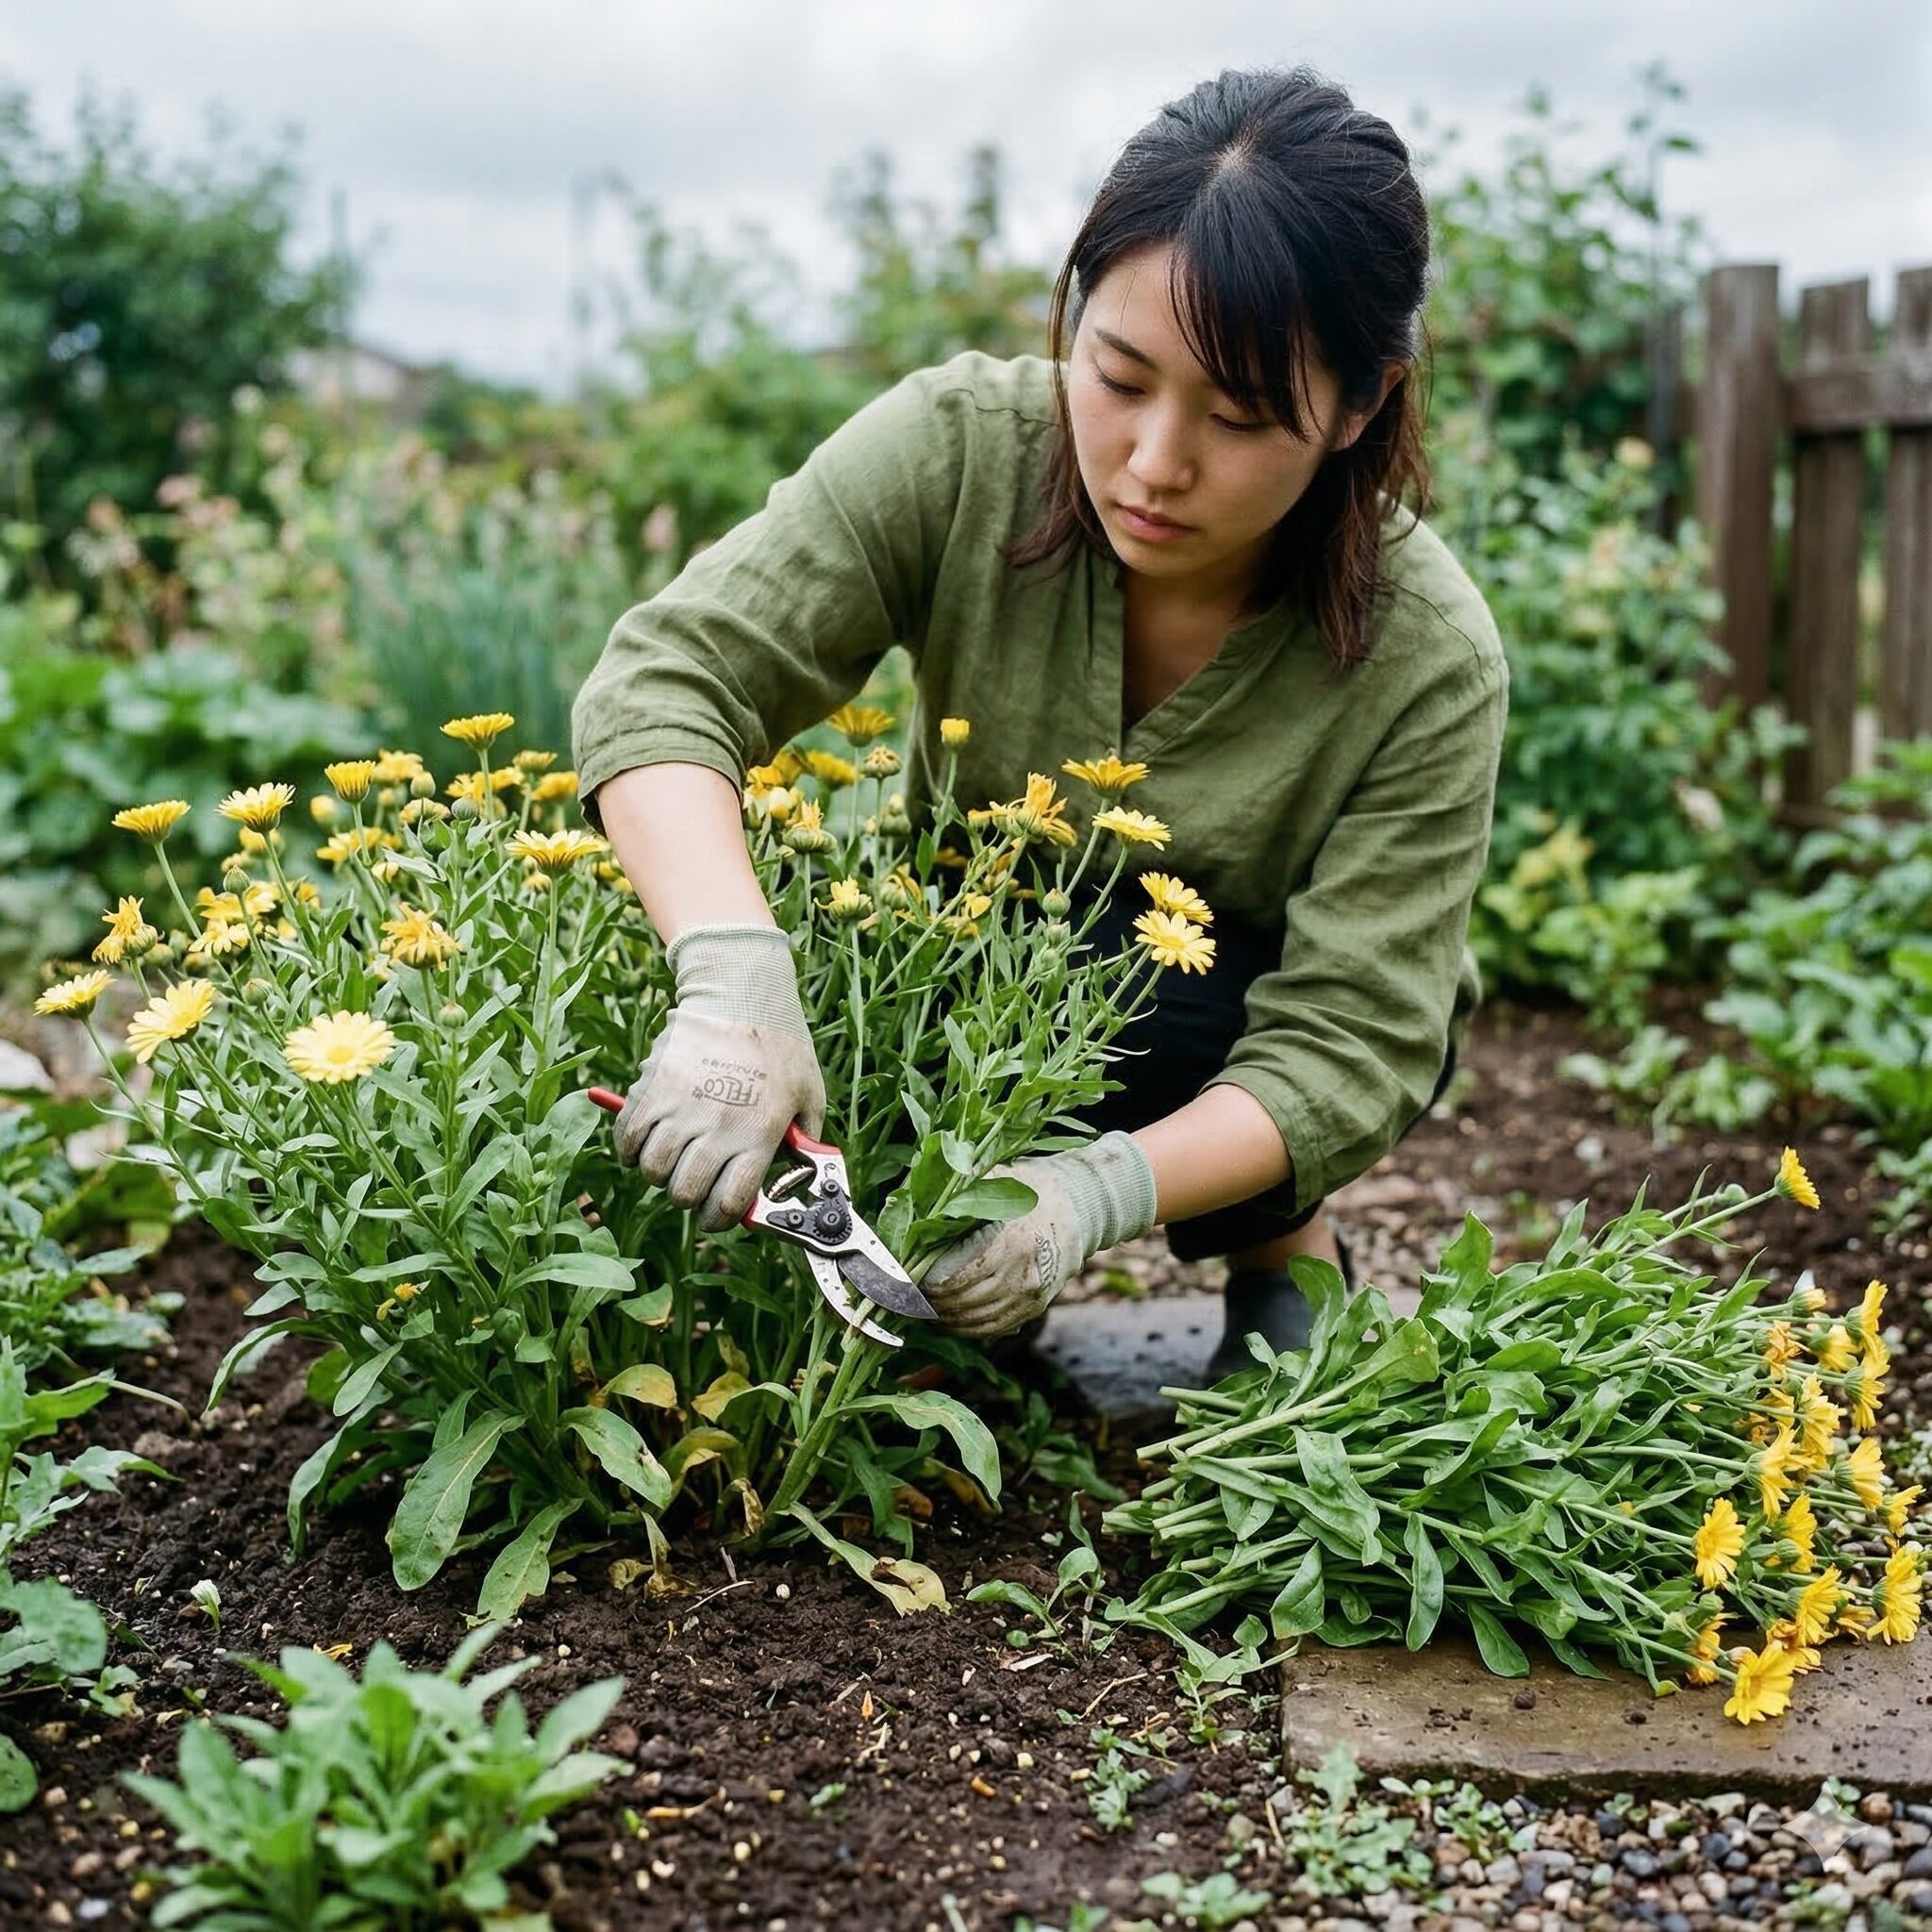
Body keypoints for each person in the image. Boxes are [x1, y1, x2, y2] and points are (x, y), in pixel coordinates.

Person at [571, 65, 1507, 1378]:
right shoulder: (962, 451)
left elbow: (1357, 1035)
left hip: (1221, 1015)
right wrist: (734, 979)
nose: (1154, 461)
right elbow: (672, 677)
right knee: (744, 928)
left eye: (1240, 418)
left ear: (1358, 408)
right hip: (968, 961)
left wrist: (1087, 1201)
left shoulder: (1425, 651)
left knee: (1162, 981)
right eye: (1119, 374)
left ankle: (1282, 1248)